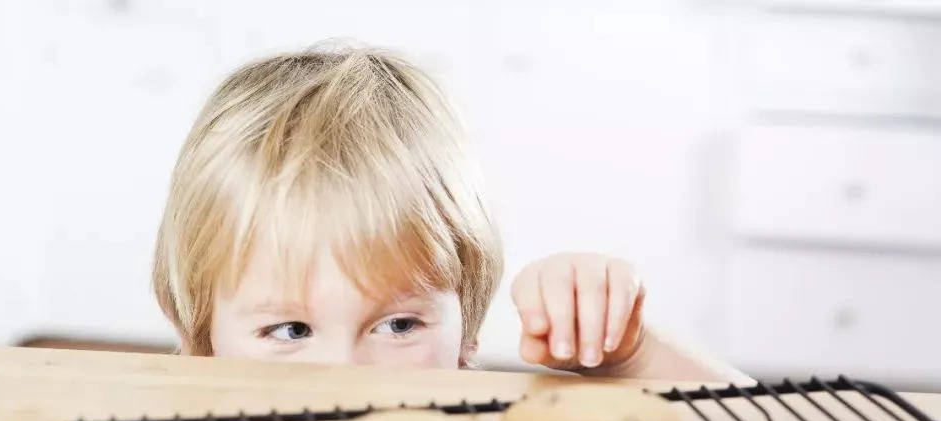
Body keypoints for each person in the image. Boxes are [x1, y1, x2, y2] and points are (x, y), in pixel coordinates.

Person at [153, 46, 740, 381]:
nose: (348, 376)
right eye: (291, 330)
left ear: (466, 326)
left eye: (400, 325)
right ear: (201, 339)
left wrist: (633, 357)